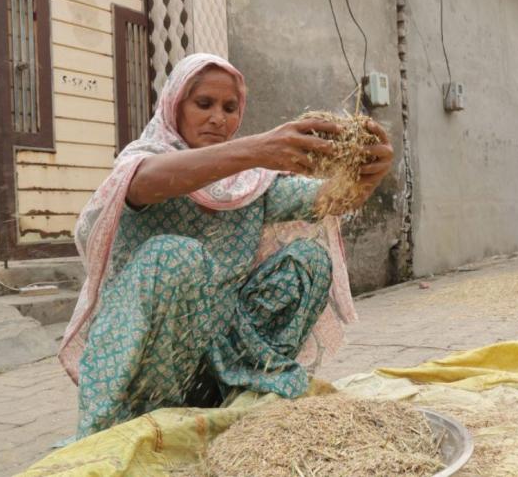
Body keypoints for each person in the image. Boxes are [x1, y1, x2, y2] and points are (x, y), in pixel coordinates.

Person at [59, 53, 393, 438]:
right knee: (176, 256)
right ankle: (148, 414)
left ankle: (242, 391)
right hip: (151, 353)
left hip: (220, 350)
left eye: (230, 108)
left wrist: (367, 172)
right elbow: (139, 184)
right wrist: (256, 149)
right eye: (204, 104)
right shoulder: (146, 158)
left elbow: (328, 200)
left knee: (308, 259)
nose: (218, 118)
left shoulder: (248, 180)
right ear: (174, 106)